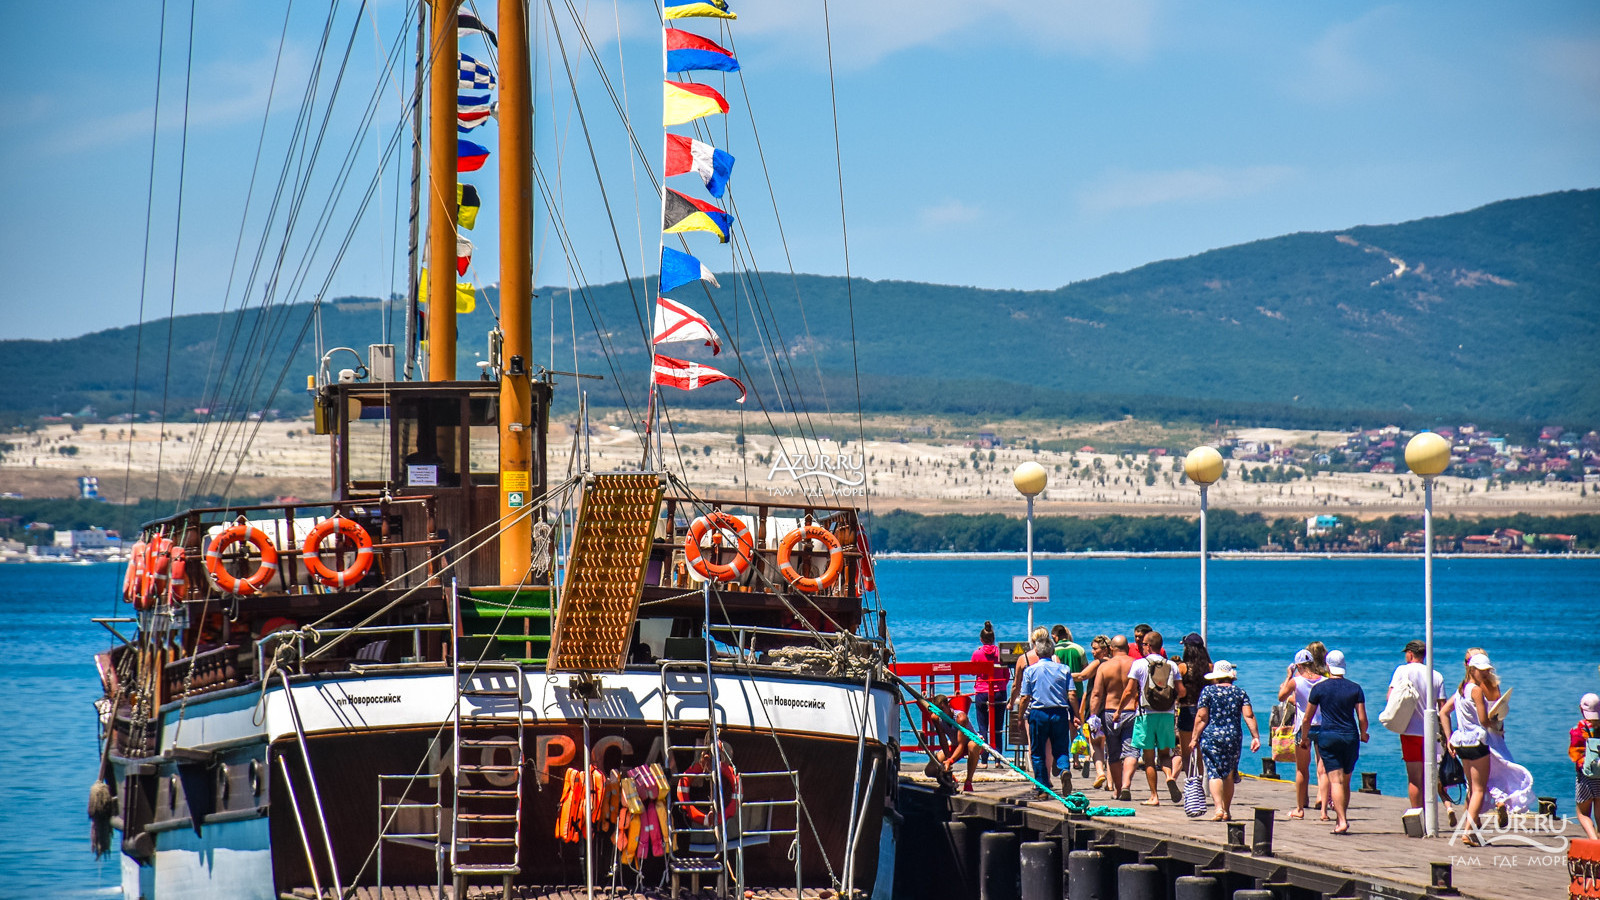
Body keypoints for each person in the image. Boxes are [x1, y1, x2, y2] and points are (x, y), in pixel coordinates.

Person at [1301, 649, 1368, 835]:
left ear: (1327, 666)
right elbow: (1362, 718)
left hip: (1329, 736)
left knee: (1336, 782)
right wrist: (1364, 733)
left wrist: (1305, 737)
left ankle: (1342, 821)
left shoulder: (1319, 688)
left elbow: (1307, 718)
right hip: (1350, 736)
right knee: (1345, 781)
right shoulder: (1355, 688)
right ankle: (1341, 817)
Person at [1460, 648, 1533, 814]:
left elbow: (1477, 716)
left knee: (1476, 779)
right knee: (1499, 770)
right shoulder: (1494, 684)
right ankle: (1500, 801)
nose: (1465, 664)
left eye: (1467, 660)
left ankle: (1470, 820)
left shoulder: (1473, 687)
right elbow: (1500, 710)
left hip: (1481, 732)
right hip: (1496, 731)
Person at [1191, 660, 1261, 821]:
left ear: (1216, 677)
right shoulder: (1239, 692)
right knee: (1229, 774)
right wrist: (1255, 737)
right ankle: (1227, 811)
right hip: (1233, 737)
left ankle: (1218, 809)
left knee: (1214, 772)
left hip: (1211, 736)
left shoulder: (1208, 692)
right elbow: (1248, 715)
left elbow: (1202, 717)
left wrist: (1194, 737)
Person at [1124, 630, 1181, 805]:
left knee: (1148, 758)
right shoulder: (1173, 665)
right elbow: (1181, 691)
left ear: (1148, 646)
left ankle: (1154, 796)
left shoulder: (1139, 664)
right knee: (1164, 755)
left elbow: (1129, 691)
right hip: (1167, 715)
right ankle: (1170, 776)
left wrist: (1120, 710)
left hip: (1146, 715)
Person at [1389, 639, 1447, 810]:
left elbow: (1390, 697)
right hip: (1431, 733)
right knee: (1430, 777)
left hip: (1409, 731)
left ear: (1410, 654)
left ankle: (1417, 815)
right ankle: (1431, 815)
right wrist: (1446, 735)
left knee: (1414, 778)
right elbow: (1442, 708)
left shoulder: (1402, 671)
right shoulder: (1436, 675)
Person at [1018, 637, 1077, 798]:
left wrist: (1020, 716)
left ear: (1036, 652)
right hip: (1059, 712)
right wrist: (1076, 715)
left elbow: (1025, 697)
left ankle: (1042, 788)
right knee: (1061, 747)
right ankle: (1064, 769)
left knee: (1038, 752)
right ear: (1052, 652)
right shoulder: (1064, 669)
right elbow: (1071, 694)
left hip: (1038, 713)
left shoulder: (1030, 671)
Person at [1278, 648, 1329, 820]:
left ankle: (1300, 809)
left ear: (1298, 666)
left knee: (1301, 769)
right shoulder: (1323, 681)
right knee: (1323, 769)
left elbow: (1281, 696)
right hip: (1322, 725)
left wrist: (1288, 676)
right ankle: (1324, 812)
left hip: (1303, 728)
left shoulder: (1296, 681)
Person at [1091, 635, 1139, 800]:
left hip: (1110, 713)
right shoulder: (1135, 664)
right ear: (1127, 647)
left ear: (1111, 648)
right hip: (1132, 711)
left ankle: (1118, 790)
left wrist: (1093, 716)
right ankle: (1126, 785)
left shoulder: (1104, 667)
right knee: (1131, 751)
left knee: (1113, 753)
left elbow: (1097, 694)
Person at [1007, 627, 1051, 763]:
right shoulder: (1054, 658)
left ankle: (1038, 777)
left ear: (1033, 640)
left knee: (1033, 741)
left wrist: (1011, 702)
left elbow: (1016, 685)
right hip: (1051, 701)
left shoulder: (1024, 658)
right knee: (1048, 744)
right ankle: (1049, 774)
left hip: (1031, 703)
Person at [969, 621, 1008, 768]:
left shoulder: (977, 653)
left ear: (981, 639)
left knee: (983, 727)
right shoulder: (1000, 652)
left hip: (981, 691)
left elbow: (973, 671)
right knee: (998, 727)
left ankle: (984, 760)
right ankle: (998, 759)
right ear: (993, 638)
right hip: (999, 692)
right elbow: (1005, 674)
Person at [1076, 635, 1113, 789]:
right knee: (1111, 747)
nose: (1092, 652)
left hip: (1097, 708)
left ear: (1104, 649)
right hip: (1112, 708)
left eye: (1095, 649)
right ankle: (1111, 783)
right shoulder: (1115, 664)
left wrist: (1061, 673)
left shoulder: (1099, 663)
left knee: (1095, 743)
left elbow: (1082, 676)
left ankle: (1099, 772)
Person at [1175, 632, 1212, 783]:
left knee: (1186, 752)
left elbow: (1179, 691)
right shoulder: (1210, 667)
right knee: (1201, 752)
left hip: (1186, 709)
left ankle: (1192, 782)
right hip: (1205, 711)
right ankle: (1201, 782)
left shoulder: (1182, 667)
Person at [923, 693, 978, 792]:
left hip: (969, 743)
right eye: (939, 711)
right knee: (930, 770)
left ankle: (968, 781)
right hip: (954, 744)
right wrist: (947, 758)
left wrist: (950, 760)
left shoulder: (960, 718)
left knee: (972, 746)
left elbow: (961, 745)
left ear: (948, 705)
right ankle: (950, 778)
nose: (942, 714)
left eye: (943, 709)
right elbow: (942, 739)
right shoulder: (936, 718)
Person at [1570, 693, 1600, 840]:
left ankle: (1594, 842)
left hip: (1586, 776)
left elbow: (1574, 754)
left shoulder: (1578, 729)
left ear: (1581, 709)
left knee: (1582, 814)